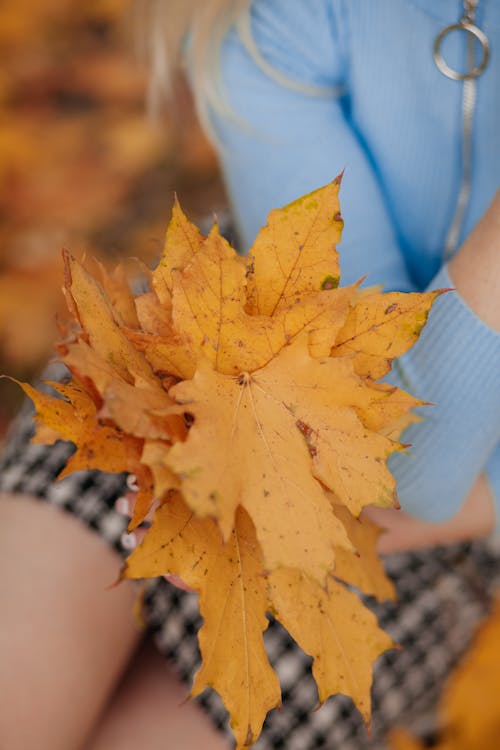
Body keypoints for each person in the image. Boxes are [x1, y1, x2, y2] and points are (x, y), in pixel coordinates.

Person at [0, 1, 499, 748]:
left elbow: (419, 480)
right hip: (205, 376)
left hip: (441, 544)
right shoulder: (278, 18)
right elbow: (387, 414)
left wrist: (475, 504)